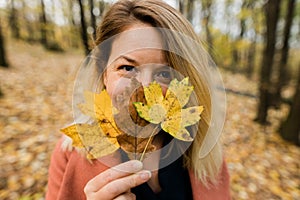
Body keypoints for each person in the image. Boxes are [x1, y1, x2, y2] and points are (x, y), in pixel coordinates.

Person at [46, 0, 230, 199]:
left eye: (164, 73)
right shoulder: (71, 151)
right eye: (128, 68)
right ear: (104, 73)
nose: (143, 90)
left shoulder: (206, 155)